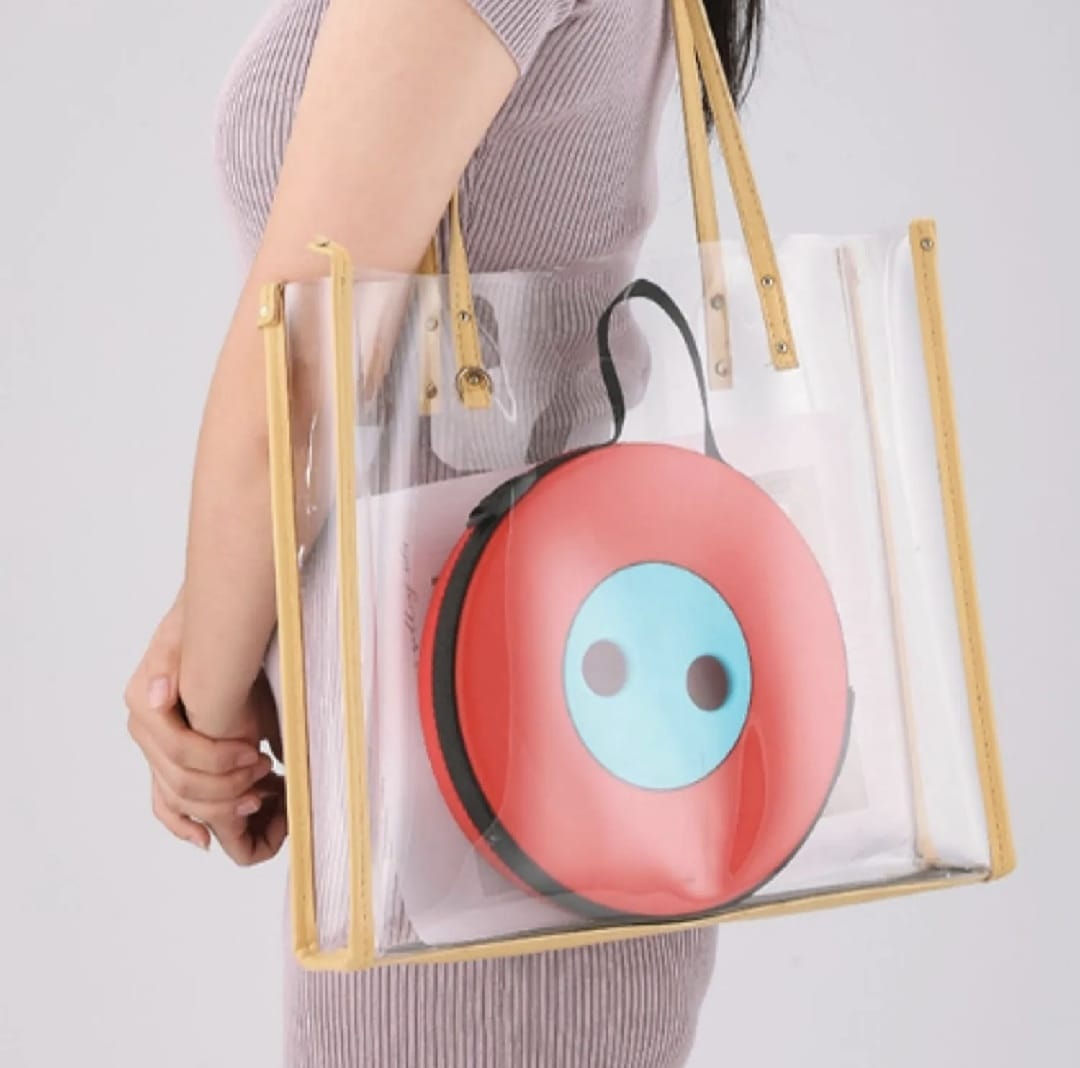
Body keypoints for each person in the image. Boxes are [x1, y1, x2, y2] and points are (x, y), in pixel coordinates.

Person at [126, 1, 764, 1064]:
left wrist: (204, 702)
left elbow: (303, 362)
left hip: (473, 787)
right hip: (527, 747)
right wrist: (207, 617)